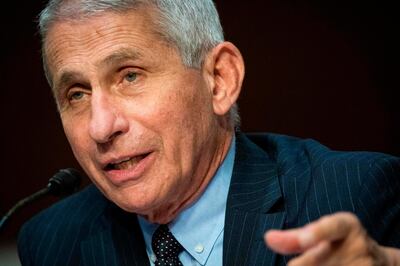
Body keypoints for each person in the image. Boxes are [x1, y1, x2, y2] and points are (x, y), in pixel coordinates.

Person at [17, 0, 400, 265]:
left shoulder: (354, 195)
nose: (101, 128)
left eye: (130, 76)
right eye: (77, 94)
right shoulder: (52, 242)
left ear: (219, 79)